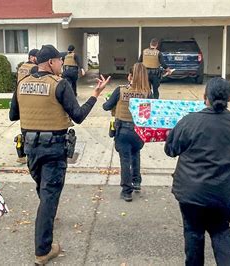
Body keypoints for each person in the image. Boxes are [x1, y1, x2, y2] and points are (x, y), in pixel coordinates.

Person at [9, 44, 110, 265]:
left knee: (43, 191)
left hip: (30, 149)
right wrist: (96, 94)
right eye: (60, 62)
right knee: (48, 196)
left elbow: (13, 115)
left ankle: (46, 218)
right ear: (51, 62)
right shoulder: (60, 85)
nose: (62, 66)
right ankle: (43, 250)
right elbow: (79, 115)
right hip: (53, 150)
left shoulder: (22, 84)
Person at [164, 77, 230, 266]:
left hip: (191, 193)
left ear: (205, 97)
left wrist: (171, 135)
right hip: (224, 194)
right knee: (221, 231)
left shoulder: (188, 122)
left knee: (193, 233)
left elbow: (170, 150)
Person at [102, 63, 151, 202]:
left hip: (122, 130)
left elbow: (106, 107)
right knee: (136, 153)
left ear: (130, 76)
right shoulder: (147, 93)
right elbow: (149, 113)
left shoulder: (120, 90)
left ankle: (126, 191)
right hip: (139, 131)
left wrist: (108, 101)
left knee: (125, 159)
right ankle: (136, 182)